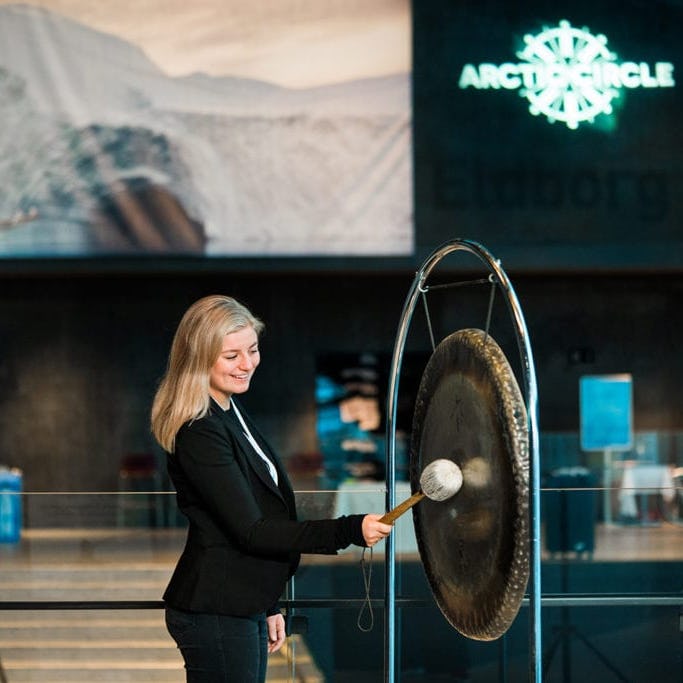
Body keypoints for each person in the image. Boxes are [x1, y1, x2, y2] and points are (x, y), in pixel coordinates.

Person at [150, 294, 392, 682]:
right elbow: (252, 530)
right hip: (216, 610)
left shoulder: (229, 409)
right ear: (199, 357)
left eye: (253, 349)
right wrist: (349, 529)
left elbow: (259, 514)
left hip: (242, 604)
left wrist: (268, 604)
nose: (247, 364)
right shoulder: (200, 429)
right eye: (232, 356)